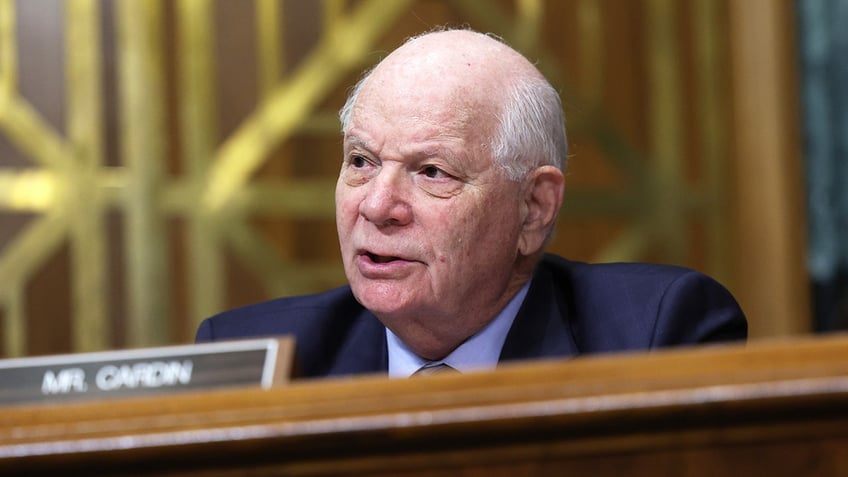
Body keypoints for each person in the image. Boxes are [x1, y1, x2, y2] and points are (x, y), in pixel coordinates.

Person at [196, 28, 747, 378]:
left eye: (432, 172)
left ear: (533, 208)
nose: (377, 205)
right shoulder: (255, 358)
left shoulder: (656, 339)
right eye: (361, 162)